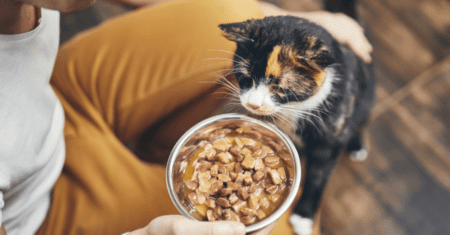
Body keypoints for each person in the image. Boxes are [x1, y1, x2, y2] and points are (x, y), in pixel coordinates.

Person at [0, 0, 372, 234]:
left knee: (231, 13)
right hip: (40, 215)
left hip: (55, 97)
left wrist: (291, 26)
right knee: (279, 227)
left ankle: (155, 147)